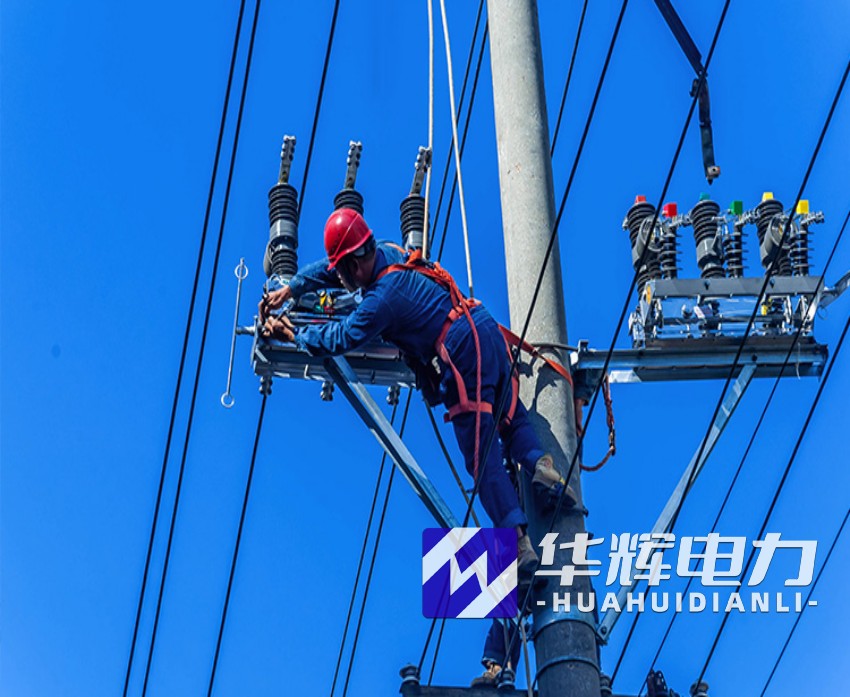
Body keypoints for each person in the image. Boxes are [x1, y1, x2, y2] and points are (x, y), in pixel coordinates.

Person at [259, 208, 573, 682]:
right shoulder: (389, 252)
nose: (341, 279)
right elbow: (330, 269)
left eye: (343, 271)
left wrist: (295, 333)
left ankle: (519, 543)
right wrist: (294, 287)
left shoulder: (380, 301)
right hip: (484, 328)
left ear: (354, 263)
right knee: (511, 418)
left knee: (482, 460)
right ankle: (541, 463)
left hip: (460, 351)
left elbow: (342, 336)